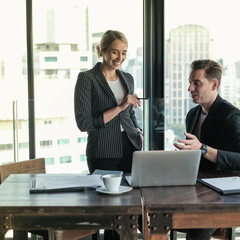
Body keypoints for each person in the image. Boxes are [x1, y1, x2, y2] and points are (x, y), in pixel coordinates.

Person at [74, 30, 143, 240]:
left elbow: (129, 111)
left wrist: (138, 130)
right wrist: (120, 107)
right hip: (103, 151)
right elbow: (84, 123)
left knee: (133, 207)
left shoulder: (127, 78)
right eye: (114, 52)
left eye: (124, 53)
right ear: (102, 50)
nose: (120, 58)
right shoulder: (87, 79)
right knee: (112, 213)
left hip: (130, 147)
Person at [173, 59, 240, 240]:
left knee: (196, 232)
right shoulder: (193, 114)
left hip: (223, 195)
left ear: (214, 84)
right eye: (189, 82)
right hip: (197, 191)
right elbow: (196, 157)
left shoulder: (232, 116)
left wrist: (202, 148)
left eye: (196, 83)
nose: (190, 89)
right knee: (148, 216)